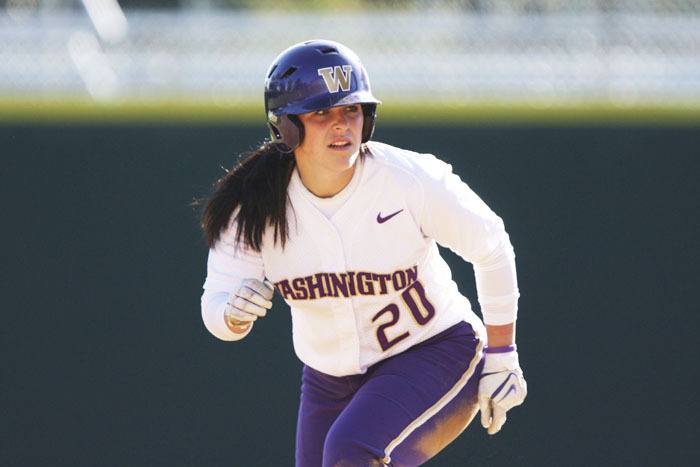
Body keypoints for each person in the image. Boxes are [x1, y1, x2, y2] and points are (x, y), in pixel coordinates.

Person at [200, 39, 527, 467]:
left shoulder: (408, 179)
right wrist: (233, 314)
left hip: (435, 351)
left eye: (351, 110)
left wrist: (503, 354)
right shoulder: (257, 205)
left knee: (352, 452)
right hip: (328, 378)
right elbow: (215, 305)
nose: (342, 125)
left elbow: (491, 244)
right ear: (286, 126)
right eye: (322, 112)